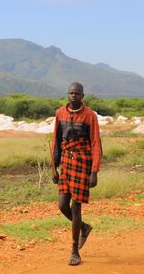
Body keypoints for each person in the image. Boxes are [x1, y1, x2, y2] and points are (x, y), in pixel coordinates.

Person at [50, 82, 102, 266]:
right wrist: (53, 166)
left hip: (82, 162)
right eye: (71, 93)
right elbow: (56, 141)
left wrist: (94, 172)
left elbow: (96, 144)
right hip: (65, 163)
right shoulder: (60, 113)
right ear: (68, 94)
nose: (74, 96)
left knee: (75, 207)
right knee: (62, 205)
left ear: (82, 96)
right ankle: (84, 227)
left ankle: (74, 251)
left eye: (77, 94)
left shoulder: (90, 116)